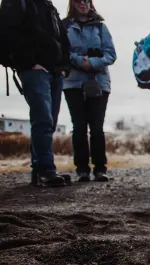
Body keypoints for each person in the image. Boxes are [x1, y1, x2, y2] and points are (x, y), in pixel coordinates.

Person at [0, 0, 71, 187]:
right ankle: (46, 171)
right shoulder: (16, 2)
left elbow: (62, 38)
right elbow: (7, 34)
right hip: (34, 70)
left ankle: (40, 170)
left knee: (50, 122)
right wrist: (28, 62)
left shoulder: (48, 6)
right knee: (43, 119)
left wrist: (64, 67)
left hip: (55, 72)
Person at [63, 0, 115, 183]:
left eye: (86, 0)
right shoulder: (65, 26)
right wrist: (79, 61)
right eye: (79, 0)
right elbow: (62, 51)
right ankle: (82, 170)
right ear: (72, 3)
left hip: (98, 82)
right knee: (78, 126)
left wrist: (92, 63)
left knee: (97, 127)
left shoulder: (100, 27)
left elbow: (111, 54)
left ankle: (100, 169)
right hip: (73, 82)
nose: (83, 4)